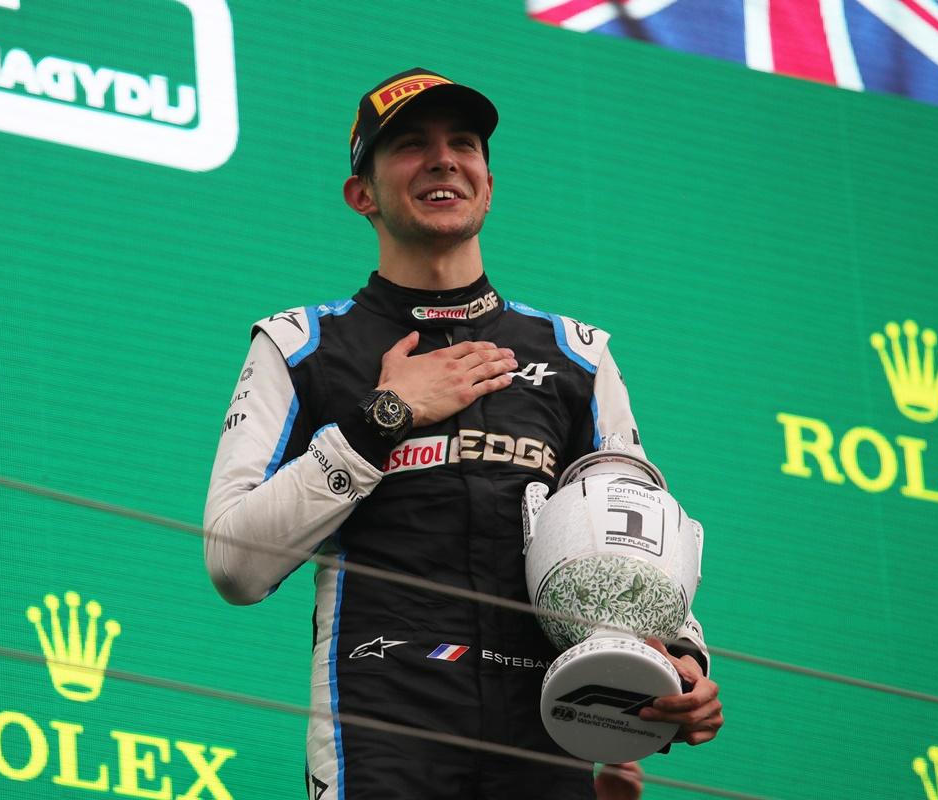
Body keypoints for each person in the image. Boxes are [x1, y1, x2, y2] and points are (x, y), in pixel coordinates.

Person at [204, 68, 722, 800]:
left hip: (548, 732)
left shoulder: (577, 355)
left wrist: (680, 656)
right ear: (362, 194)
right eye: (410, 145)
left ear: (487, 180)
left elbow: (637, 543)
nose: (444, 158)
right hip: (380, 726)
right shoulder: (300, 345)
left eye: (464, 143)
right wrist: (382, 419)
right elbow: (233, 563)